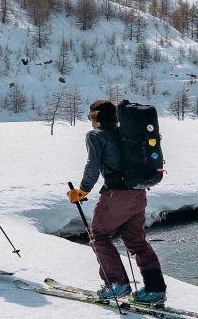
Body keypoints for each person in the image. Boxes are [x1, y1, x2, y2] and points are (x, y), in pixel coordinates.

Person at [64, 99, 167, 303]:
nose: (89, 120)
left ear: (95, 116)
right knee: (137, 243)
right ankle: (155, 289)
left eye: (90, 116)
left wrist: (82, 191)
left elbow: (92, 166)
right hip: (138, 193)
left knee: (99, 235)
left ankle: (117, 284)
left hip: (116, 195)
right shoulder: (124, 133)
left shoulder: (96, 135)